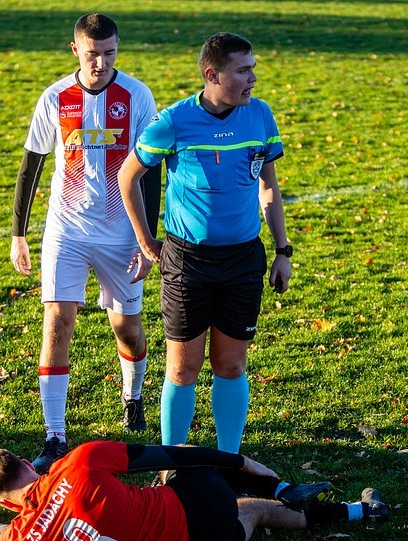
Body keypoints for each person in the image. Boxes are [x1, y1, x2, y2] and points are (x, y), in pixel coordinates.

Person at [117, 32, 290, 455]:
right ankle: (171, 465)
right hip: (188, 262)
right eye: (243, 71)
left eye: (253, 69)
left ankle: (229, 461)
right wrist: (145, 239)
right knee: (182, 369)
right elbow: (127, 176)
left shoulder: (260, 115)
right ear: (212, 75)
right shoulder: (174, 121)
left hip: (243, 260)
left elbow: (268, 187)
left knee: (230, 364)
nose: (252, 79)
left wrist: (283, 250)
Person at [9, 13, 163, 473]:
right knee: (57, 321)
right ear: (75, 50)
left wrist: (146, 240)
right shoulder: (55, 97)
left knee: (127, 328)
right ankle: (55, 435)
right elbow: (32, 165)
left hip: (121, 231)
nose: (101, 62)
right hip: (68, 229)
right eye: (93, 54)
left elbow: (150, 171)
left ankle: (132, 395)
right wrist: (18, 233)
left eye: (110, 53)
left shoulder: (137, 96)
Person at [0, 441, 389, 541]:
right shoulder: (78, 463)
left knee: (250, 511)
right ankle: (281, 485)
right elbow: (168, 456)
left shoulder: (23, 538)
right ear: (24, 463)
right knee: (176, 461)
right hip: (195, 504)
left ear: (2, 503)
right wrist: (241, 462)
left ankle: (356, 512)